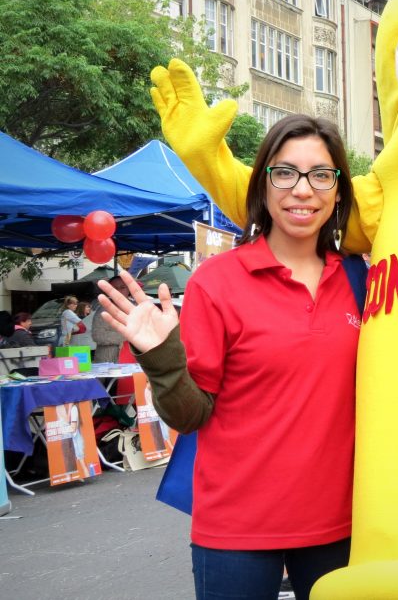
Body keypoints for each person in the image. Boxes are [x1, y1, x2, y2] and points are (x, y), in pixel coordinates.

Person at [96, 114, 359, 600]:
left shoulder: (362, 281)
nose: (303, 189)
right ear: (262, 184)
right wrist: (160, 355)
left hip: (341, 524)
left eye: (321, 174)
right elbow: (190, 415)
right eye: (285, 172)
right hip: (237, 526)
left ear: (338, 191)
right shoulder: (218, 280)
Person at [92, 277, 128, 363]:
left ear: (129, 289)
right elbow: (98, 335)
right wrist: (129, 336)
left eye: (123, 287)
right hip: (108, 359)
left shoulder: (136, 307)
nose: (119, 291)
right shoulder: (103, 309)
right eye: (115, 288)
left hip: (133, 359)